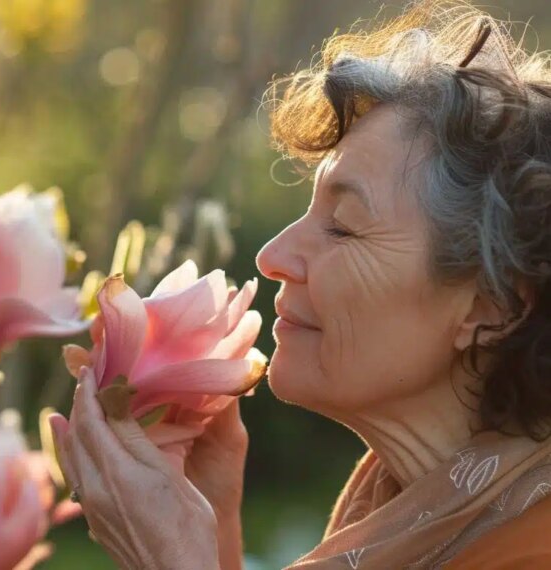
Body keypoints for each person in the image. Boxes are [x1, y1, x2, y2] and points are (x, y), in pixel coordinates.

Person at [50, 1, 551, 568]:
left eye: (342, 227)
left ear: (492, 305)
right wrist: (214, 528)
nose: (272, 256)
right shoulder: (401, 517)